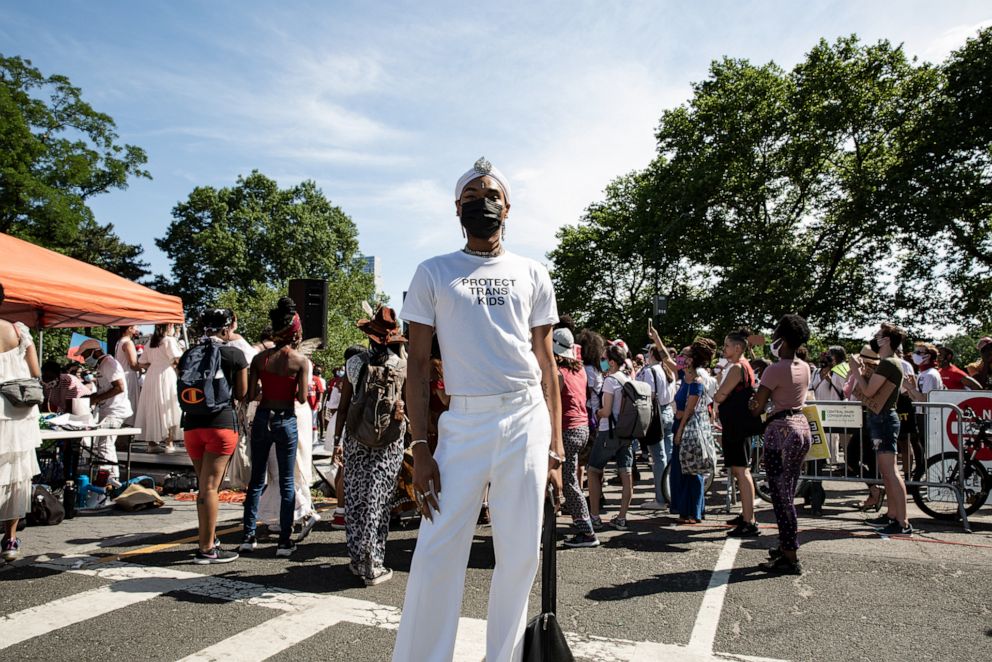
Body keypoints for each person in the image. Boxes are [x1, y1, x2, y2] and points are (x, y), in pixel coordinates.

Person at [393, 157, 563, 662]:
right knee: (437, 548)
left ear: (508, 207)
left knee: (519, 553)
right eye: (471, 198)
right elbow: (418, 366)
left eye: (491, 196)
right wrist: (421, 447)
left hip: (526, 418)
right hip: (462, 422)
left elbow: (547, 364)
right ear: (456, 209)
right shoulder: (434, 272)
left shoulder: (533, 271)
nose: (482, 204)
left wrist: (555, 448)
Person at [333, 306, 409, 585]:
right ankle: (373, 563)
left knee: (356, 496)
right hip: (388, 441)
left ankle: (356, 559)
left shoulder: (354, 364)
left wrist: (337, 441)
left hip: (355, 437)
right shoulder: (402, 365)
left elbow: (344, 406)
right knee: (379, 498)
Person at [241, 297, 308, 557]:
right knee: (287, 481)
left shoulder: (259, 359)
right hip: (285, 418)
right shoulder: (300, 361)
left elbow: (250, 395)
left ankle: (248, 536)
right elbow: (302, 398)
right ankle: (283, 541)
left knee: (257, 480)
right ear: (295, 333)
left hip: (263, 415)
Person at [180, 309, 248, 564]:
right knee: (210, 488)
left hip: (191, 425)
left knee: (204, 486)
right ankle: (206, 549)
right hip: (220, 425)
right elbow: (241, 393)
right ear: (229, 327)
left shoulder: (189, 354)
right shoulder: (234, 354)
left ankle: (208, 538)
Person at [748, 314, 813, 574]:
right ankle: (785, 545)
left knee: (781, 496)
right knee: (788, 491)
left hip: (780, 433)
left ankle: (790, 552)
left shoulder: (775, 369)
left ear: (782, 339)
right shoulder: (805, 367)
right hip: (801, 428)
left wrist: (751, 401)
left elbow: (757, 407)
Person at [849, 323, 913, 536]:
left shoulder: (888, 364)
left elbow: (868, 390)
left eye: (878, 336)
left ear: (886, 340)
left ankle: (902, 521)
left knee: (891, 472)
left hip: (884, 418)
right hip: (882, 418)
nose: (875, 339)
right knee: (887, 472)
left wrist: (856, 371)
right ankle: (893, 515)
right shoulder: (889, 363)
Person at [0, 281, 43, 562]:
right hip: (18, 413)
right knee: (16, 474)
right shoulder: (19, 330)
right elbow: (35, 371)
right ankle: (11, 540)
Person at [554, 328, 599, 547]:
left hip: (567, 429)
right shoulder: (580, 370)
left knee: (569, 481)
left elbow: (552, 402)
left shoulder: (558, 373)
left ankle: (586, 531)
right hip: (582, 427)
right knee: (570, 477)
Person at [714, 328, 760, 537]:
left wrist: (718, 388)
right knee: (739, 470)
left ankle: (749, 520)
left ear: (738, 348)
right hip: (737, 424)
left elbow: (720, 395)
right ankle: (746, 514)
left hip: (737, 425)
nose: (724, 349)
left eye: (726, 346)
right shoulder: (743, 366)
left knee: (742, 470)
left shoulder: (737, 368)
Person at [669, 339, 716, 524]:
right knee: (681, 472)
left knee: (692, 472)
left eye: (685, 356)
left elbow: (689, 411)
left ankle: (694, 512)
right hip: (679, 426)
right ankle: (684, 510)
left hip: (688, 431)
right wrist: (655, 337)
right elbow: (666, 358)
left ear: (693, 360)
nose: (682, 359)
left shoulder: (697, 381)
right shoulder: (683, 376)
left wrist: (679, 432)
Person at [77, 338, 131, 479]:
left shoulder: (109, 363)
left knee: (104, 445)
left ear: (95, 352)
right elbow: (107, 388)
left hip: (115, 410)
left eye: (85, 355)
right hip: (108, 409)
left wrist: (96, 399)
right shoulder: (103, 365)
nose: (84, 359)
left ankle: (108, 478)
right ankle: (110, 477)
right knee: (104, 445)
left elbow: (119, 387)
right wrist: (93, 396)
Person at [640, 323, 677, 511]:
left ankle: (661, 498)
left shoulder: (650, 371)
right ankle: (670, 493)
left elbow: (648, 395)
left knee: (659, 457)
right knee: (668, 456)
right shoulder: (667, 371)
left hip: (657, 414)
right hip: (668, 411)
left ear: (651, 354)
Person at [135, 324, 183, 453]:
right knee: (169, 406)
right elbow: (178, 359)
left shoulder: (150, 342)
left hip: (152, 375)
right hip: (166, 374)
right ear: (169, 326)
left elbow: (141, 362)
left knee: (152, 406)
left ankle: (152, 443)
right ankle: (169, 443)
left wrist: (154, 364)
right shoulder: (169, 340)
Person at [114, 325, 142, 426]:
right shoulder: (128, 342)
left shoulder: (119, 342)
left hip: (122, 375)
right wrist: (143, 368)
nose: (137, 329)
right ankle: (126, 436)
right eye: (135, 327)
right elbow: (133, 364)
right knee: (131, 405)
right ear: (129, 328)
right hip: (128, 376)